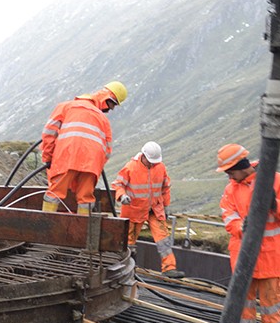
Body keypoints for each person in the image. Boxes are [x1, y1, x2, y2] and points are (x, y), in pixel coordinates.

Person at [216, 143, 280, 323]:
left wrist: (275, 205)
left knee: (271, 299)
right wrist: (241, 227)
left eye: (230, 172)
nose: (229, 177)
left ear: (240, 166)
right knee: (244, 298)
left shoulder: (277, 181)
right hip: (244, 255)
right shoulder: (231, 189)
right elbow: (228, 215)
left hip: (272, 257)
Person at [40, 81, 127, 214]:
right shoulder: (103, 121)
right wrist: (96, 167)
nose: (111, 109)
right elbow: (107, 151)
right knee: (85, 199)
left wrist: (48, 157)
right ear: (107, 99)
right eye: (112, 105)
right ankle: (82, 232)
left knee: (54, 194)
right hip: (91, 166)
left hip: (66, 160)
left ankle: (46, 224)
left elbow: (49, 133)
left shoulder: (66, 107)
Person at [112, 141, 182, 278]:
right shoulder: (130, 167)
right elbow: (117, 184)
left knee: (163, 239)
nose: (152, 164)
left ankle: (169, 268)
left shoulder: (160, 167)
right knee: (128, 241)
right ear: (143, 155)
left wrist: (166, 206)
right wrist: (122, 196)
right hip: (134, 210)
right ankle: (127, 268)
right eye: (150, 161)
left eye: (154, 162)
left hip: (155, 209)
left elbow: (165, 187)